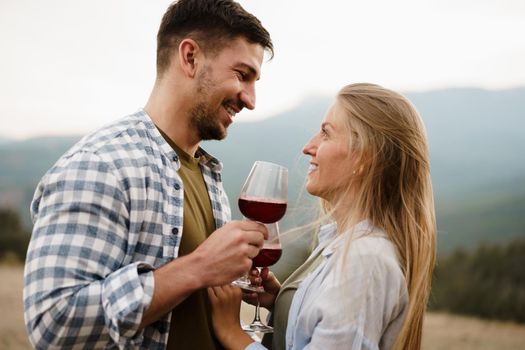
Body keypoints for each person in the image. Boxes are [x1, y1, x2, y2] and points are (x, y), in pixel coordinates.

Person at [23, 0, 273, 349]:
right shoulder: (102, 163)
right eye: (242, 75)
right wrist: (198, 266)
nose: (250, 99)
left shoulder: (208, 174)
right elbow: (54, 322)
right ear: (190, 57)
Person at [207, 83, 437, 350]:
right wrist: (282, 302)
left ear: (365, 158)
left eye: (326, 134)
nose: (308, 147)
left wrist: (232, 333)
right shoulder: (341, 241)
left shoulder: (366, 261)